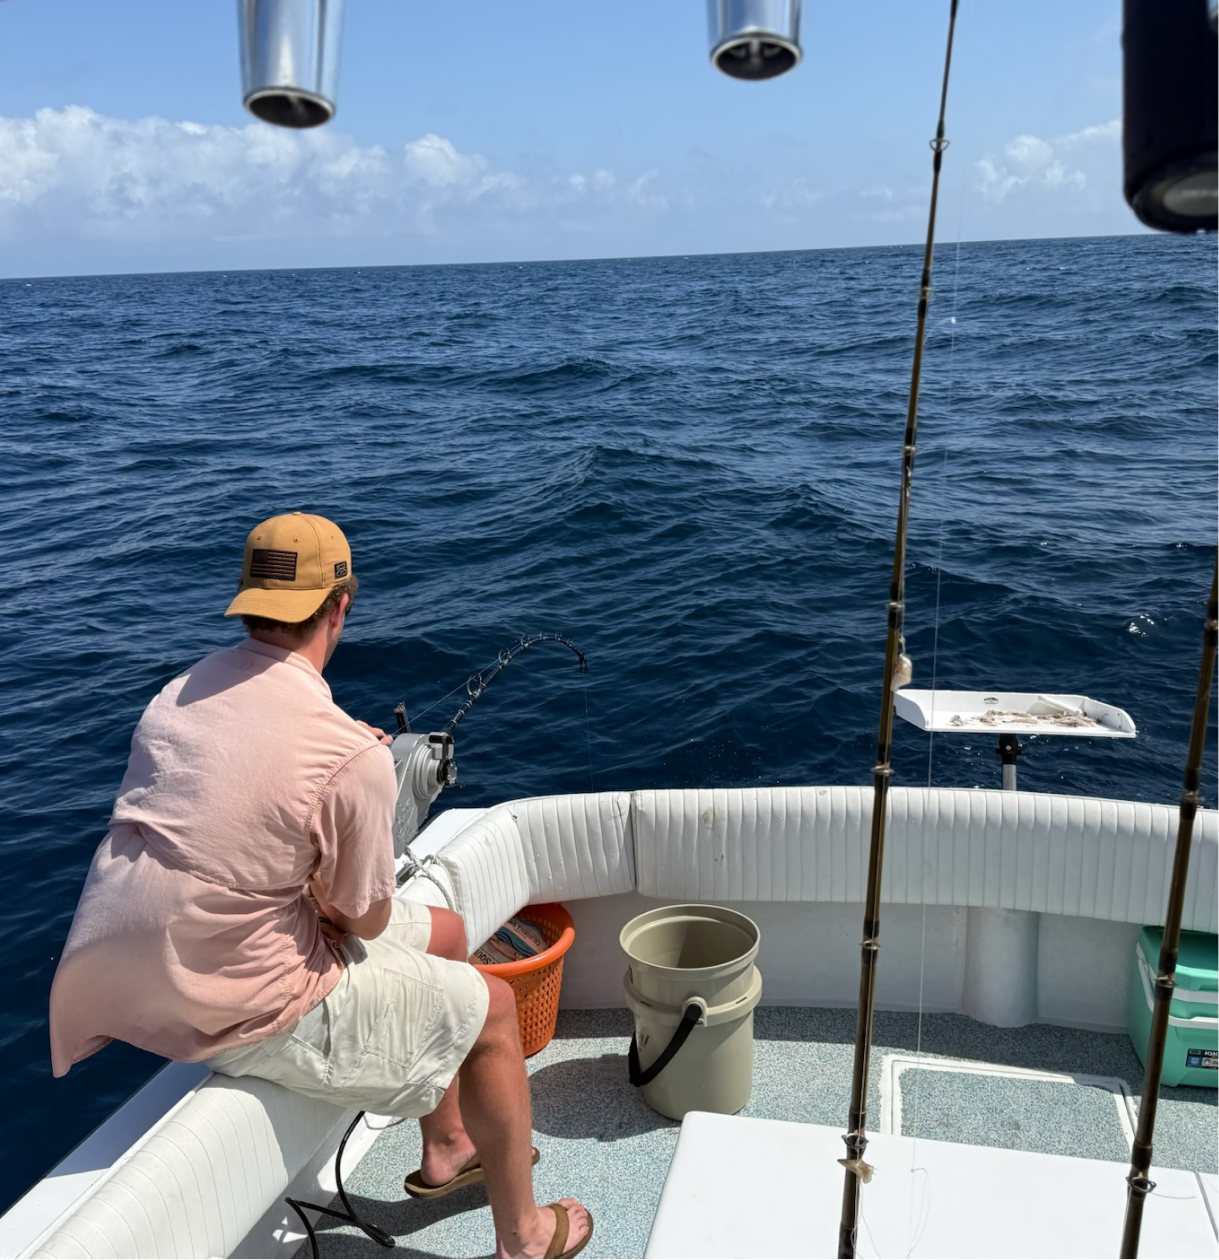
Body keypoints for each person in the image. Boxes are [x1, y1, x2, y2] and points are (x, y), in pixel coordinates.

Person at [49, 512, 592, 1260]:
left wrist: (348, 776)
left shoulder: (178, 693)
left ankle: (448, 1146)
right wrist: (358, 774)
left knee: (449, 935)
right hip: (231, 999)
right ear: (343, 605)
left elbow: (237, 824)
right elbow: (360, 921)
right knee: (492, 1008)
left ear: (249, 601)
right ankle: (526, 1236)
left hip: (129, 975)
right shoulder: (344, 752)